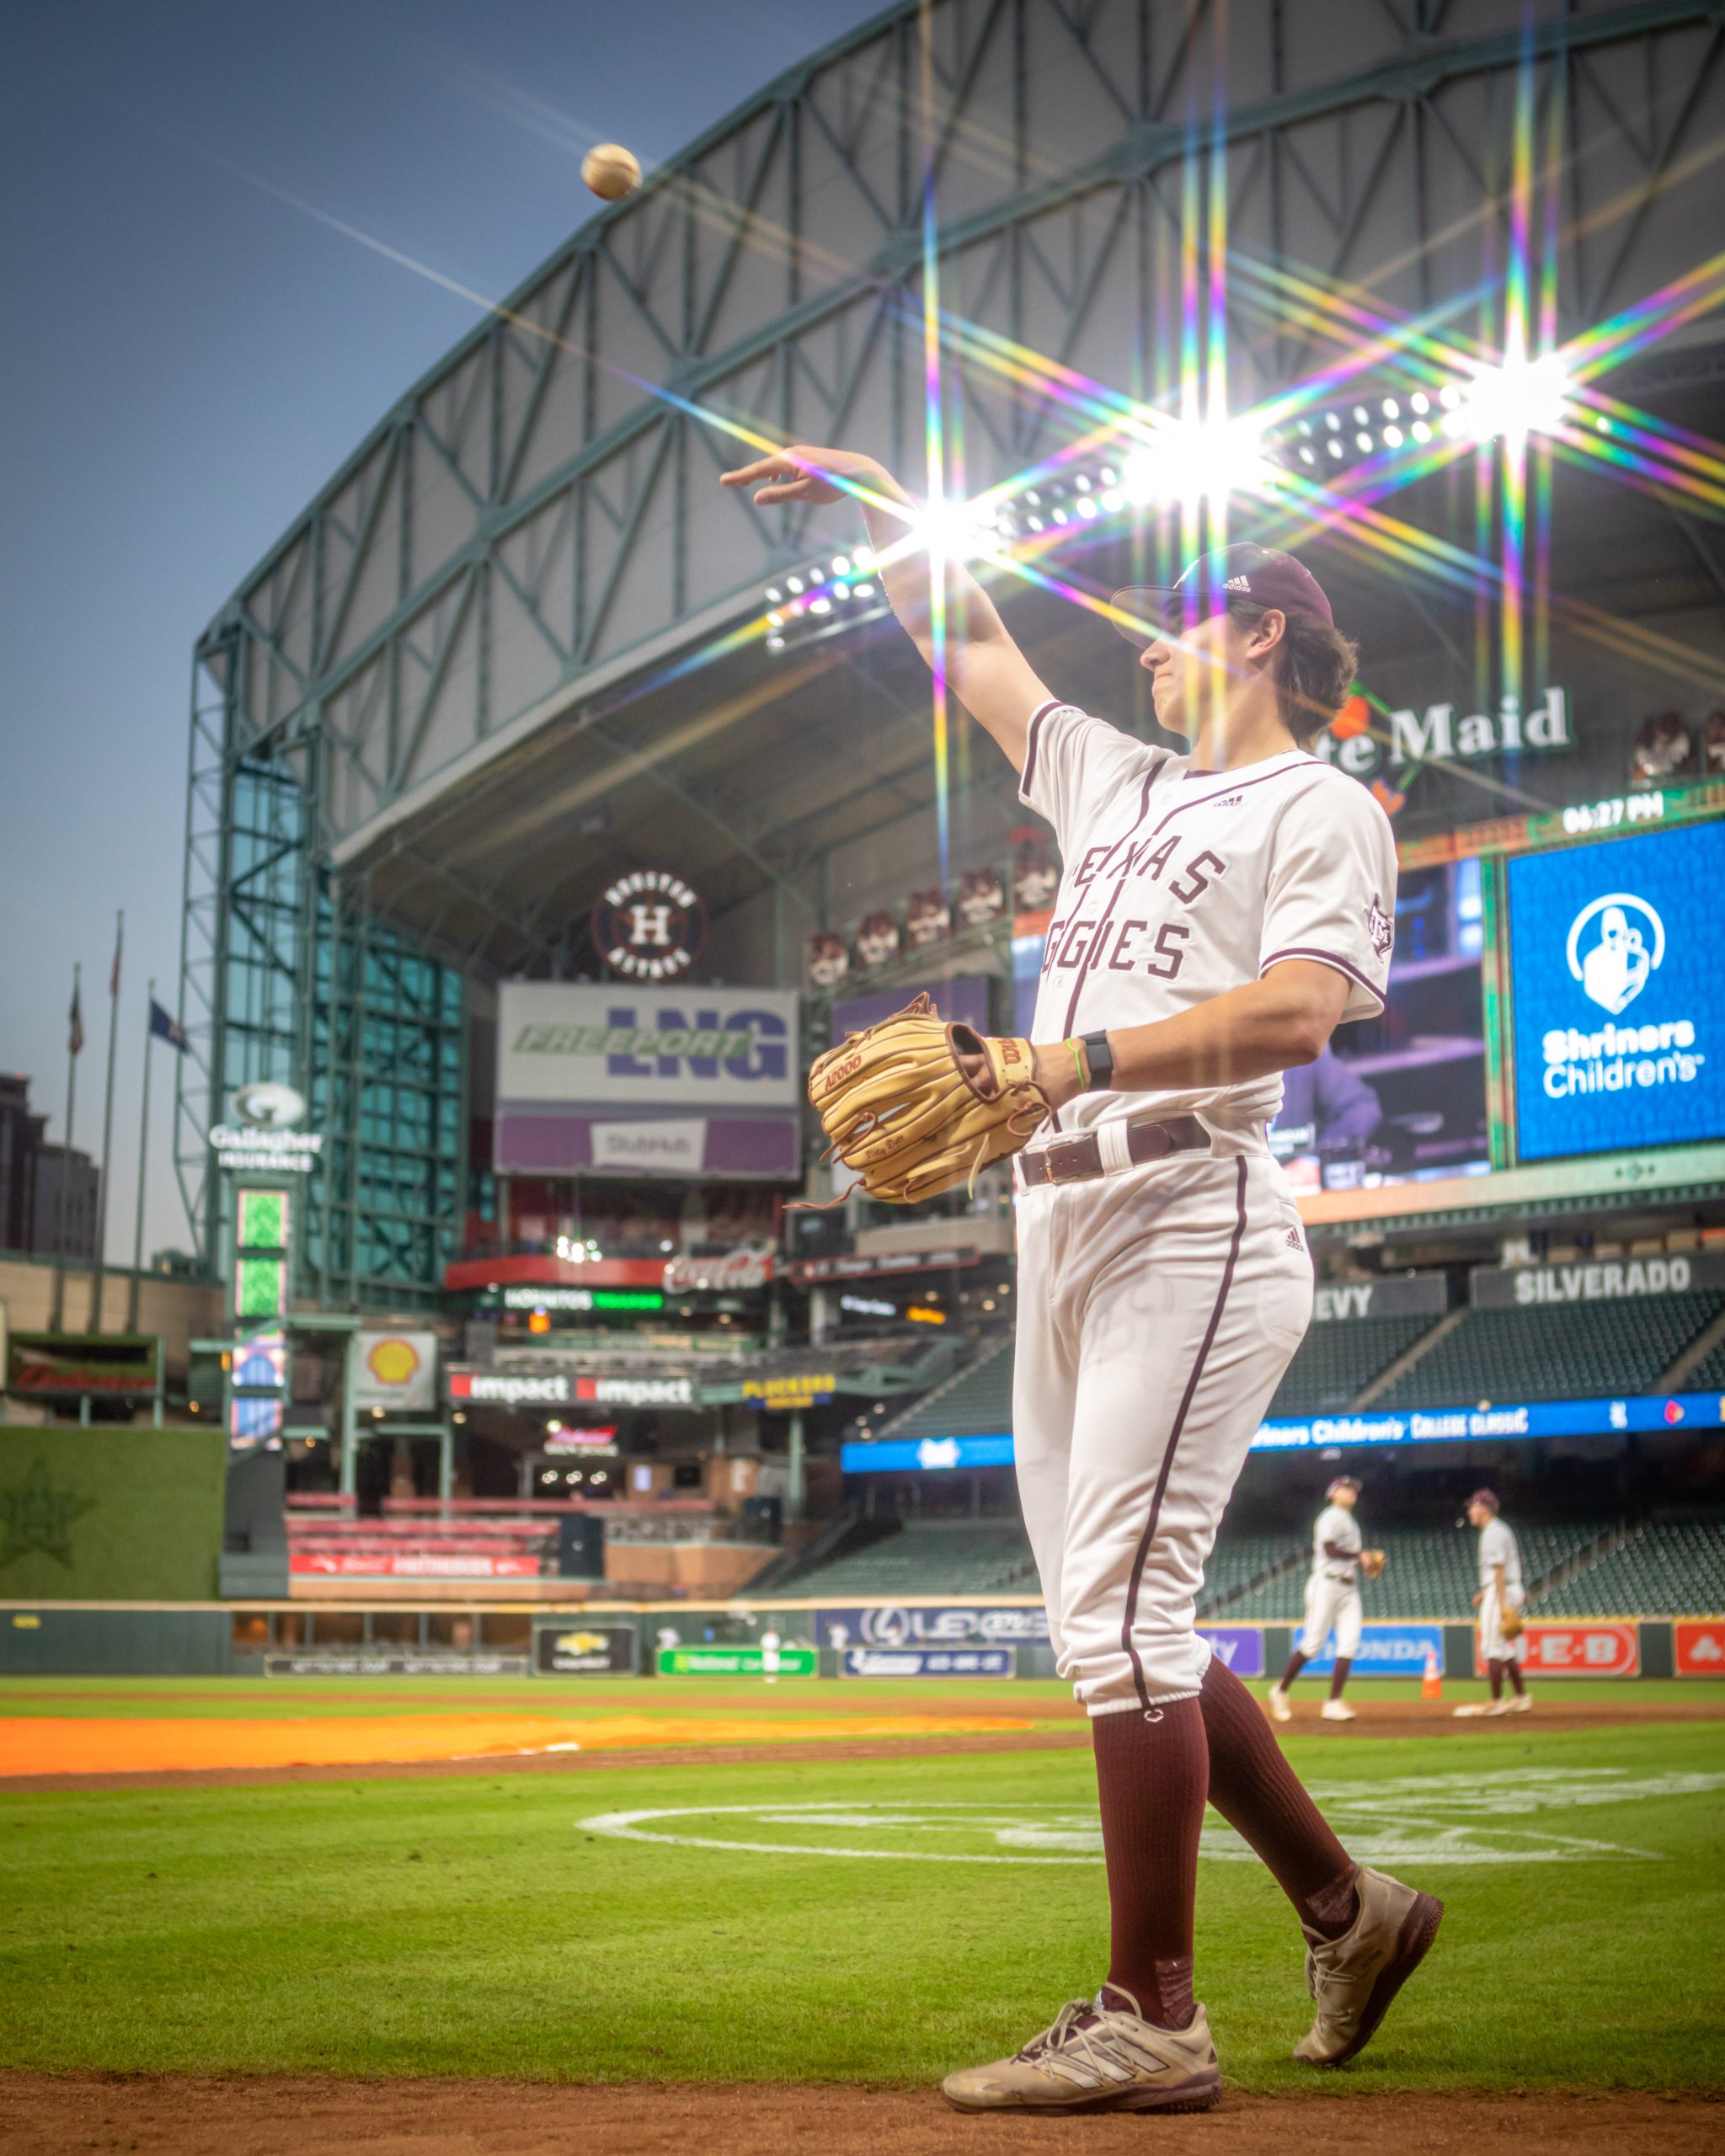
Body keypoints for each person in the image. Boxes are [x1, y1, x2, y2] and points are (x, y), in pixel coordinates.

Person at [722, 446, 1441, 2115]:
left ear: (1260, 632)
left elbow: (1296, 1013)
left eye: (1180, 625)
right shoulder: (1115, 777)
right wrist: (888, 493)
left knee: (1124, 1609)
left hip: (1189, 1205)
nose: (1144, 648)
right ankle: (1347, 1908)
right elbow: (966, 643)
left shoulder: (1318, 803)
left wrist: (1069, 1057)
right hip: (1055, 1223)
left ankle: (1154, 2015)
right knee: (1111, 1623)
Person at [1267, 1476, 1383, 1723]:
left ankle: (1333, 1703)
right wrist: (1359, 1555)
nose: (1352, 1492)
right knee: (1312, 1644)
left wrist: (1362, 1563)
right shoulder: (1331, 1516)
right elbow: (1328, 1549)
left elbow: (1346, 1555)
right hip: (1326, 1584)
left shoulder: (1349, 1520)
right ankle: (1280, 1690)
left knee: (1349, 1643)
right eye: (1346, 1488)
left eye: (1354, 1489)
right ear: (1334, 1493)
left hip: (1348, 1588)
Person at [1454, 1488, 1530, 1718]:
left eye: (1472, 1506)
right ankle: (1521, 1698)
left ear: (1483, 1508)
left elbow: (1498, 1569)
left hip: (1503, 1590)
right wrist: (1485, 1593)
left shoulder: (1493, 1532)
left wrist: (1499, 1601)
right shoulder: (1497, 1530)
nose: (1469, 1511)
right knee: (1503, 1647)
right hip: (1504, 1588)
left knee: (1491, 1647)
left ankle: (1496, 1701)